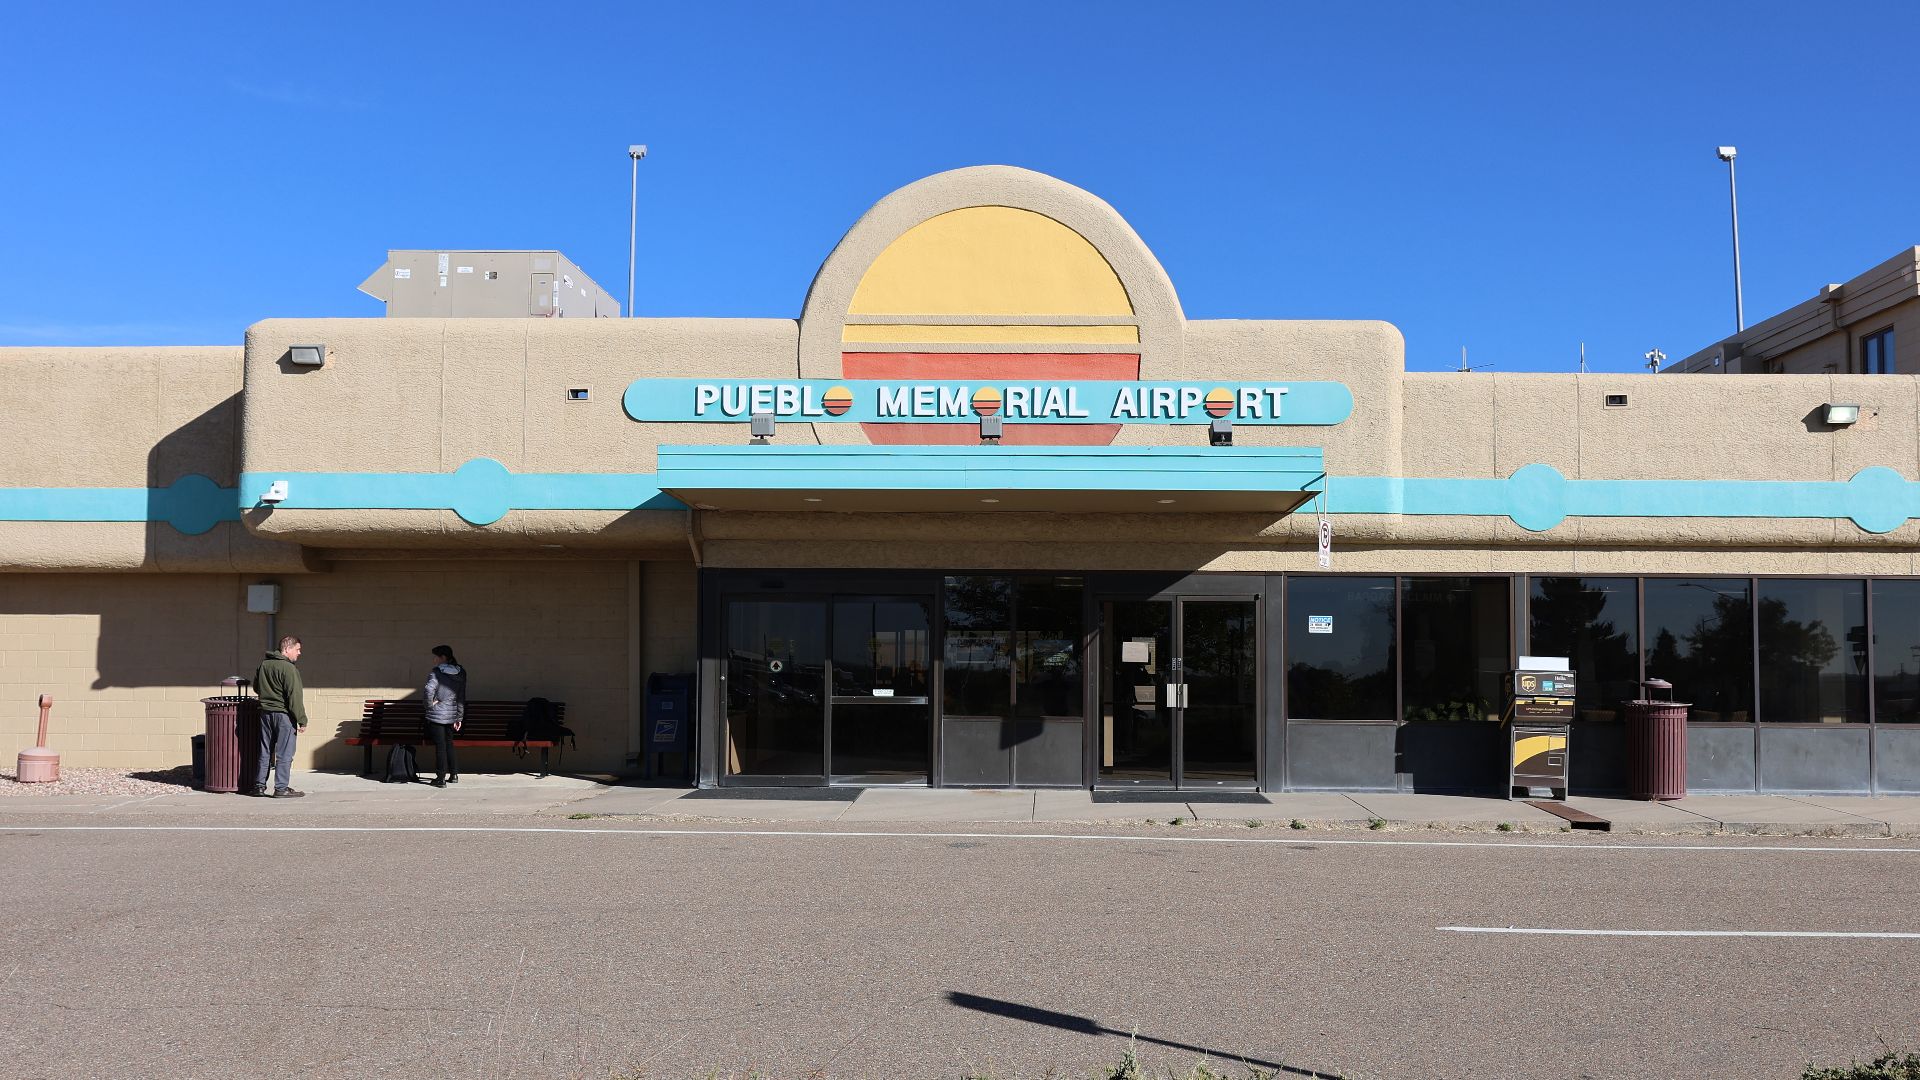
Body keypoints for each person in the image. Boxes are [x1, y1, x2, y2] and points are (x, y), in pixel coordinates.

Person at [252, 635, 308, 798]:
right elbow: (294, 697)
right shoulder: (289, 669)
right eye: (297, 649)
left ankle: (259, 786)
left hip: (265, 714)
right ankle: (281, 788)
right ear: (287, 648)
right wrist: (302, 719)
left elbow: (256, 687)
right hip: (283, 715)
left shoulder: (264, 665)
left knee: (265, 751)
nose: (299, 653)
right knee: (284, 753)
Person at [423, 645, 467, 788]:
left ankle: (440, 778)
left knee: (440, 746)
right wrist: (459, 717)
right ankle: (454, 775)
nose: (434, 660)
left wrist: (429, 706)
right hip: (451, 714)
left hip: (437, 714)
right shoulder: (461, 672)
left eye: (436, 656)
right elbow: (461, 697)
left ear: (443, 657)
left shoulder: (436, 672)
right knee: (449, 744)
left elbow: (428, 689)